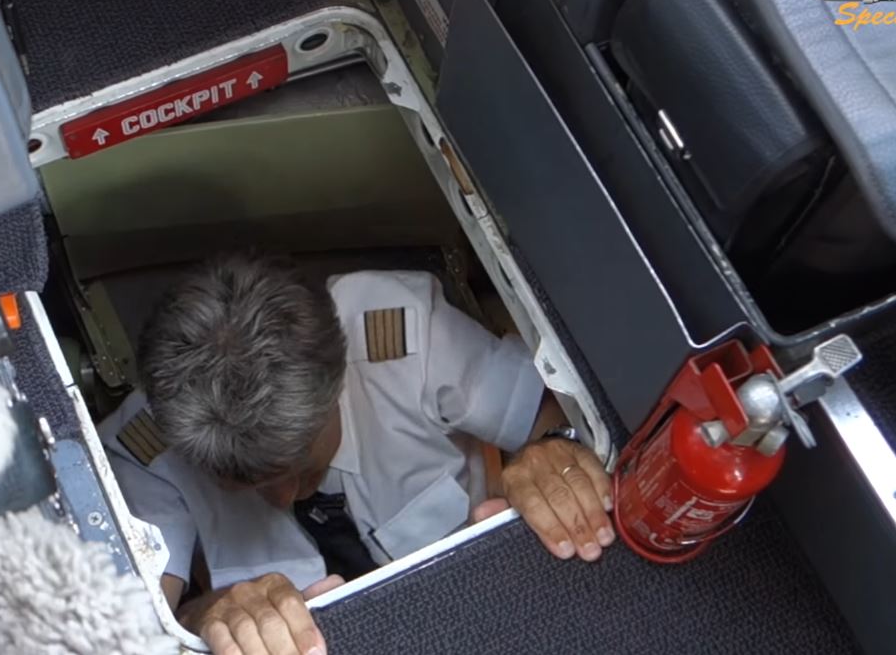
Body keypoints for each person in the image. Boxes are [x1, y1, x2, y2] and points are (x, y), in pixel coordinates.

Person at [98, 254, 614, 655]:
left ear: (339, 378)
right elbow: (135, 630)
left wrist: (549, 454)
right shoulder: (145, 446)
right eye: (243, 483)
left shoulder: (398, 330)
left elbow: (558, 418)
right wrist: (205, 617)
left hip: (487, 608)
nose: (279, 499)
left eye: (300, 466)